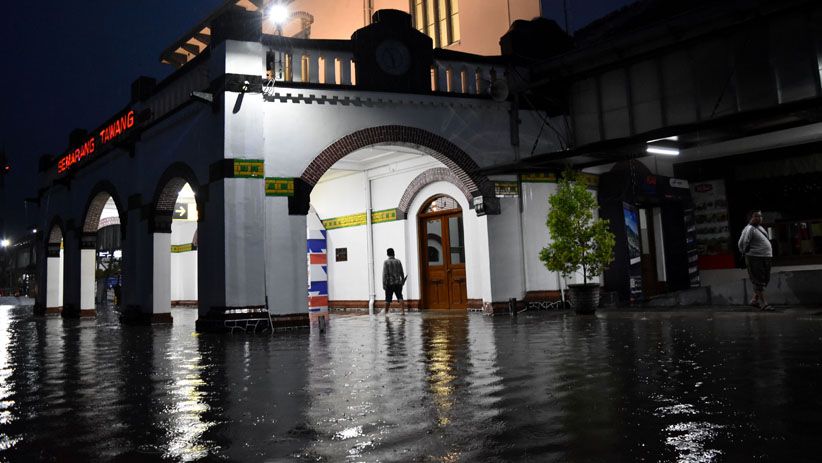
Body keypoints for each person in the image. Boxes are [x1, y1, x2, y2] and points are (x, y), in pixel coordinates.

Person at [738, 210, 773, 310]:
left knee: (765, 280)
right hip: (755, 258)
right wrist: (746, 252)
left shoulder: (760, 228)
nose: (759, 218)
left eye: (760, 216)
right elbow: (741, 243)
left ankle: (754, 300)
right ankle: (764, 304)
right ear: (751, 218)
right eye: (756, 216)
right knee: (758, 281)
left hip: (765, 256)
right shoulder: (749, 229)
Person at [381, 248, 405, 314]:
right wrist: (403, 280)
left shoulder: (386, 262)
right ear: (394, 253)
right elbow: (401, 272)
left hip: (389, 283)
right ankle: (403, 311)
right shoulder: (398, 261)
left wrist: (384, 284)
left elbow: (385, 274)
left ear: (387, 254)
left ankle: (386, 312)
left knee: (388, 299)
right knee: (400, 296)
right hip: (398, 283)